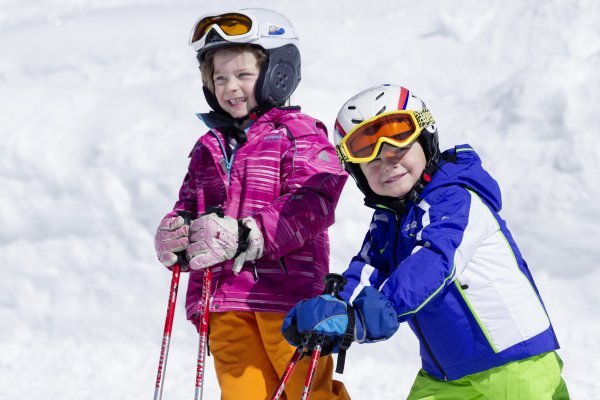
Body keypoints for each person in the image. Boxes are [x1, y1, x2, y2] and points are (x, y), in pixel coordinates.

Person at [282, 84, 570, 399]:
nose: (388, 164)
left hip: (514, 363)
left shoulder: (455, 198)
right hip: (447, 373)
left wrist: (370, 315)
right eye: (372, 161)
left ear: (426, 140)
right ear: (358, 174)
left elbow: (433, 261)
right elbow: (368, 266)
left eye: (398, 150)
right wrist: (337, 306)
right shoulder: (389, 219)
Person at [153, 8, 350, 400]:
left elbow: (315, 200)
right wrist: (178, 233)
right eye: (219, 78)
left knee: (308, 392)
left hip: (288, 302)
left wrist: (250, 234)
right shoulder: (208, 147)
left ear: (278, 73)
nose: (230, 87)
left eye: (243, 75)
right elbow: (190, 206)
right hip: (224, 301)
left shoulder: (299, 134)